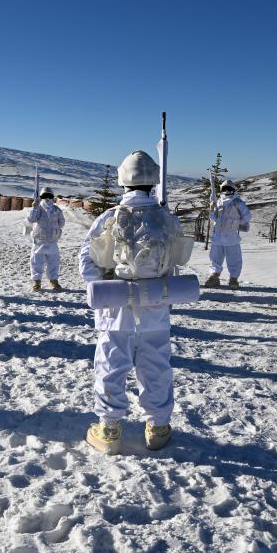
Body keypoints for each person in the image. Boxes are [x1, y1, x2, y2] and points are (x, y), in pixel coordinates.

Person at [80, 150, 184, 454]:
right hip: (156, 308)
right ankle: (158, 426)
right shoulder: (165, 219)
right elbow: (176, 262)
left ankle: (109, 428)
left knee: (111, 366)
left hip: (116, 310)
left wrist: (102, 287)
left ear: (123, 180)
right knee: (156, 367)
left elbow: (86, 260)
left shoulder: (109, 218)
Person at [205, 179, 252, 289]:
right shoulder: (219, 202)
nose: (226, 191)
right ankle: (214, 276)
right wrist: (211, 209)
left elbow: (247, 216)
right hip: (218, 236)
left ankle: (233, 279)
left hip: (231, 236)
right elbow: (214, 218)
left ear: (233, 190)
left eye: (229, 189)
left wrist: (236, 223)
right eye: (224, 189)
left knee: (234, 258)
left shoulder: (238, 202)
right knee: (215, 257)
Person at [26, 187, 65, 292]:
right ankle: (36, 282)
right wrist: (34, 208)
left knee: (53, 262)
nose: (47, 198)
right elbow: (30, 219)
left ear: (53, 197)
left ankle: (53, 281)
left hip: (52, 241)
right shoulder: (38, 208)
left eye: (49, 196)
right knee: (36, 262)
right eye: (44, 196)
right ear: (41, 197)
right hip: (39, 241)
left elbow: (62, 223)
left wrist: (55, 228)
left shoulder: (57, 210)